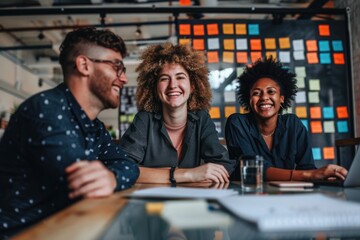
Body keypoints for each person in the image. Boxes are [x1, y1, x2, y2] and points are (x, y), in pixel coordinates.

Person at [0, 27, 139, 237]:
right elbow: (84, 184)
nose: (124, 79)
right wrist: (112, 176)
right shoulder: (46, 109)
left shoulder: (95, 126)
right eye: (116, 66)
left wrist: (112, 178)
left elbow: (129, 165)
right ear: (84, 65)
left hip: (65, 229)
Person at [119, 42, 235, 184]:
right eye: (164, 78)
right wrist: (188, 174)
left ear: (193, 86)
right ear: (155, 88)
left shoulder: (202, 118)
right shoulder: (144, 120)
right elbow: (122, 167)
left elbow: (225, 166)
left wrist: (155, 174)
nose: (173, 85)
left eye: (180, 77)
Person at [225, 56, 348, 181]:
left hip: (287, 195)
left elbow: (306, 167)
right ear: (249, 100)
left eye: (271, 92)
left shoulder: (293, 124)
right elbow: (252, 169)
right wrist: (312, 174)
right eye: (256, 93)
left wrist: (324, 178)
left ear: (282, 98)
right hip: (249, 194)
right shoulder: (237, 123)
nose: (264, 97)